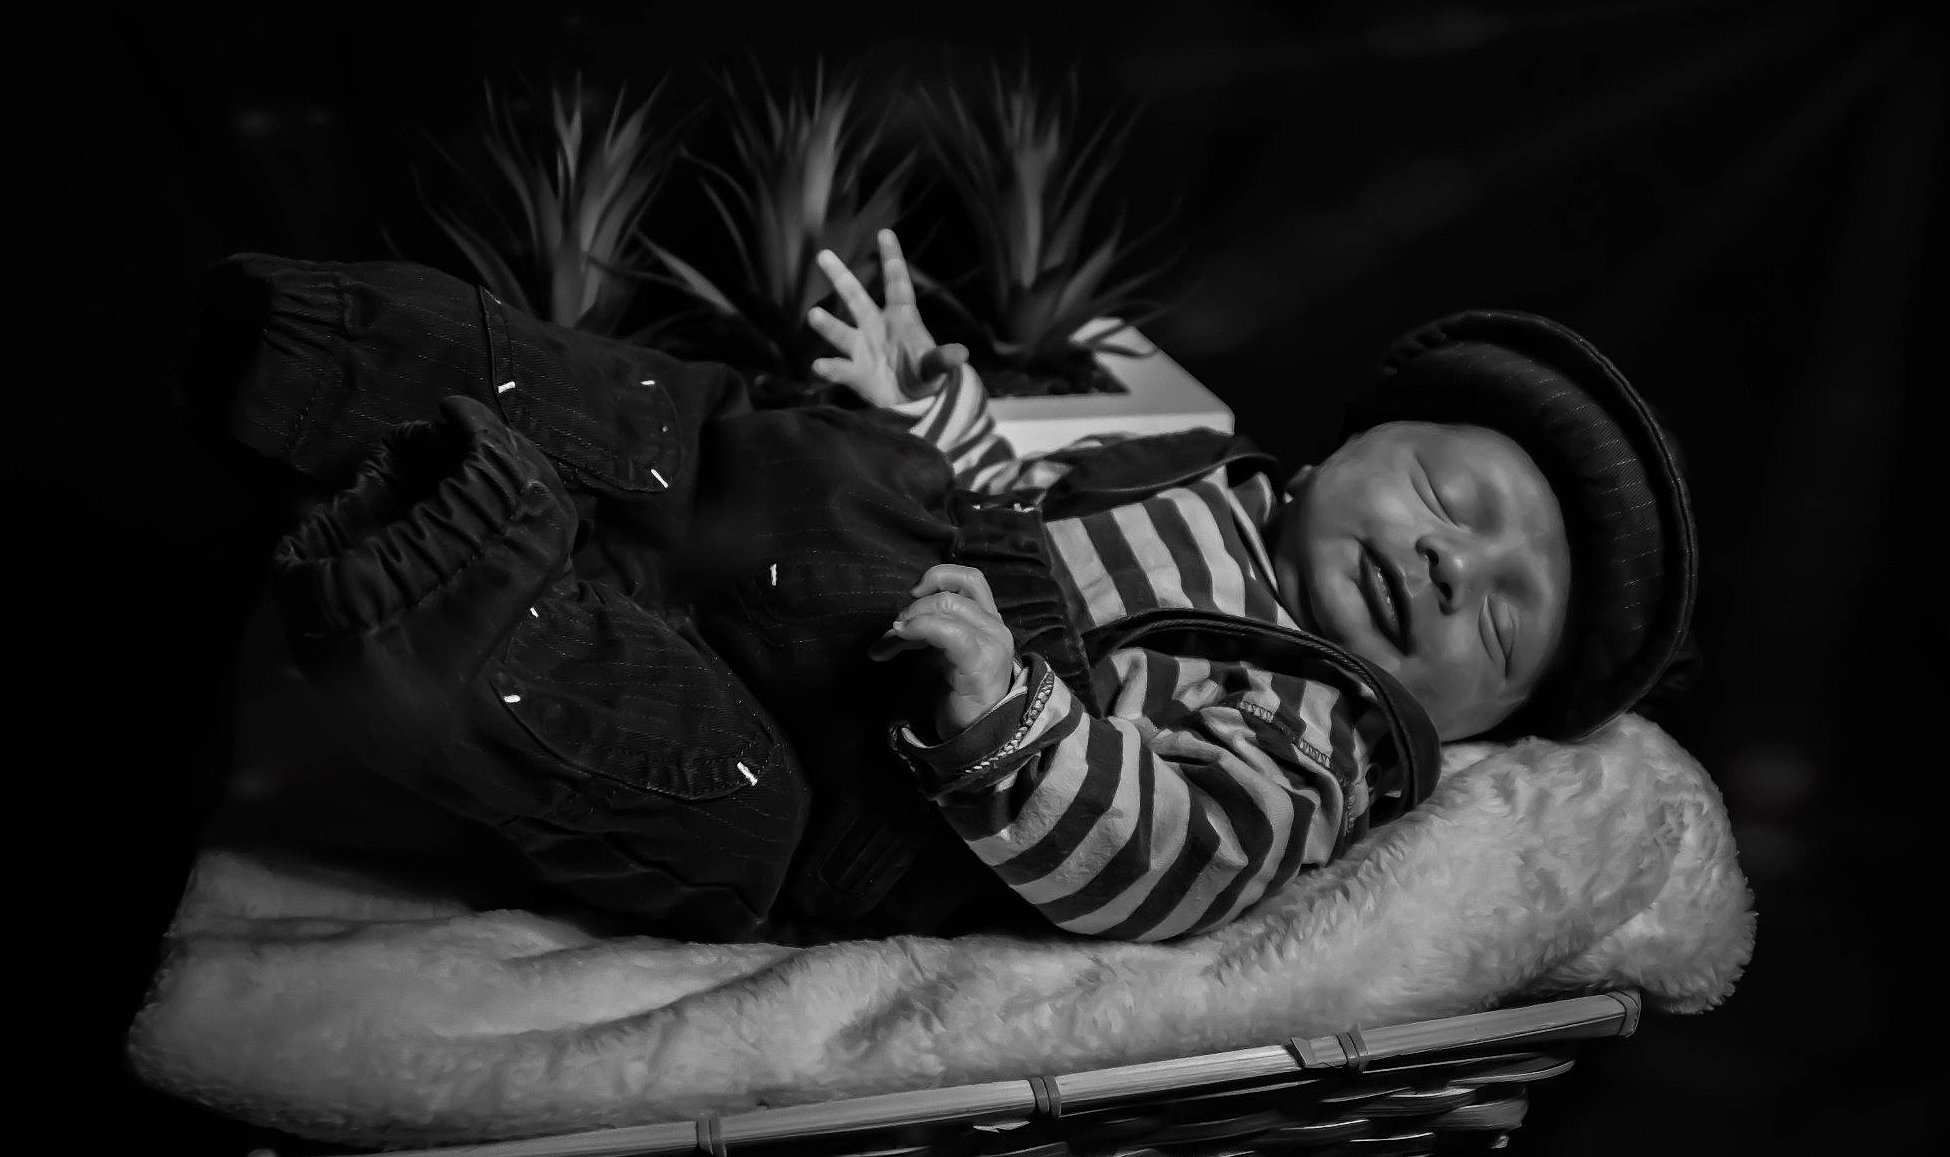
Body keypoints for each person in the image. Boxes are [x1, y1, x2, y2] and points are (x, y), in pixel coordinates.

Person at [180, 230, 1697, 946]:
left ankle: (418, 565)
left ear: (1476, 722)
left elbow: (1188, 852)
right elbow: (1012, 495)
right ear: (1351, 447)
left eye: (1499, 617)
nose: (1453, 560)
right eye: (1455, 498)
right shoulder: (1195, 455)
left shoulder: (1320, 723)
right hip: (792, 545)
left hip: (854, 793)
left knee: (670, 762)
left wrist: (1012, 716)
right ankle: (333, 364)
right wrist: (926, 400)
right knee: (677, 415)